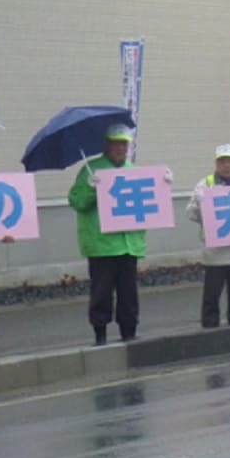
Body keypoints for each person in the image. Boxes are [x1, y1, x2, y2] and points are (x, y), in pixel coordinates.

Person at [69, 124, 166, 345]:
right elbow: (77, 201)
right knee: (101, 292)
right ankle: (100, 333)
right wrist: (91, 188)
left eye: (124, 143)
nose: (120, 148)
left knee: (128, 292)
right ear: (107, 145)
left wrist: (163, 183)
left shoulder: (133, 170)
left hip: (128, 243)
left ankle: (129, 331)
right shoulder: (91, 170)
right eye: (116, 143)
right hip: (101, 243)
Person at [185, 143, 230, 328]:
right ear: (216, 163)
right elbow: (191, 214)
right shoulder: (205, 184)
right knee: (212, 295)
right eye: (223, 161)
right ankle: (210, 328)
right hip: (216, 253)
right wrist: (199, 203)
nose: (227, 165)